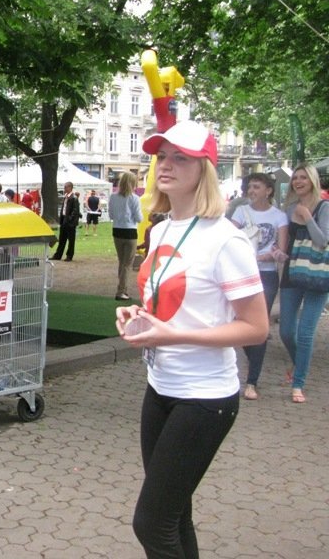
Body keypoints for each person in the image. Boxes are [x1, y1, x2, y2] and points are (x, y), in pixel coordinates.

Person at [114, 120, 268, 558]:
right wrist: (139, 314)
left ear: (206, 170)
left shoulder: (226, 240)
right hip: (160, 387)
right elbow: (172, 303)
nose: (166, 165)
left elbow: (256, 328)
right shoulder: (162, 229)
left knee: (151, 523)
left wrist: (173, 334)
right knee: (174, 516)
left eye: (181, 157)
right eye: (162, 156)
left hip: (205, 398)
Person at [229, 172, 288, 400]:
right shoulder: (241, 212)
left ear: (268, 190)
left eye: (257, 187)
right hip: (241, 273)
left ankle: (252, 382)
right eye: (250, 187)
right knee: (238, 322)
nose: (252, 191)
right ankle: (250, 365)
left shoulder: (279, 216)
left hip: (266, 275)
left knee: (259, 326)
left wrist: (268, 256)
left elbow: (281, 249)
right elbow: (228, 240)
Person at [278, 163, 329, 403]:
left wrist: (308, 217)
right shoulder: (288, 209)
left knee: (305, 332)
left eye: (303, 177)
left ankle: (298, 383)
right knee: (286, 331)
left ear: (312, 180)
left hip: (317, 273)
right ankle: (299, 364)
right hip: (292, 271)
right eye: (295, 178)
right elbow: (286, 241)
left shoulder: (324, 207)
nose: (298, 181)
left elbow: (322, 240)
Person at [108, 172, 143, 301]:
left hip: (117, 231)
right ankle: (121, 291)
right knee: (127, 264)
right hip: (130, 232)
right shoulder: (135, 198)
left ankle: (123, 289)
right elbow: (139, 218)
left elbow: (111, 215)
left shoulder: (113, 197)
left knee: (122, 262)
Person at [51, 182, 80, 261]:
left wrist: (70, 219)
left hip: (70, 222)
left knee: (71, 240)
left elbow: (75, 211)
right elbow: (64, 209)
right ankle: (58, 255)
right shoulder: (66, 197)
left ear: (70, 187)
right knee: (62, 239)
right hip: (64, 219)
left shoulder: (74, 198)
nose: (64, 189)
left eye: (66, 187)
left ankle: (69, 255)